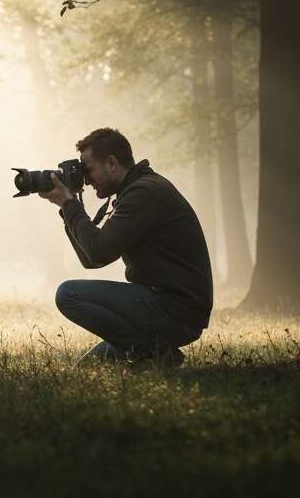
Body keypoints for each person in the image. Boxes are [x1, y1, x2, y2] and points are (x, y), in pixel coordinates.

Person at [38, 128, 213, 367]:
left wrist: (69, 204)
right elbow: (92, 260)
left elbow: (98, 251)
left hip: (175, 309)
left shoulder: (144, 193)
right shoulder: (134, 191)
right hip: (163, 306)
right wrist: (67, 207)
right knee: (87, 368)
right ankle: (153, 350)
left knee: (68, 294)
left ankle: (158, 353)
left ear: (111, 163)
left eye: (88, 170)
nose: (86, 180)